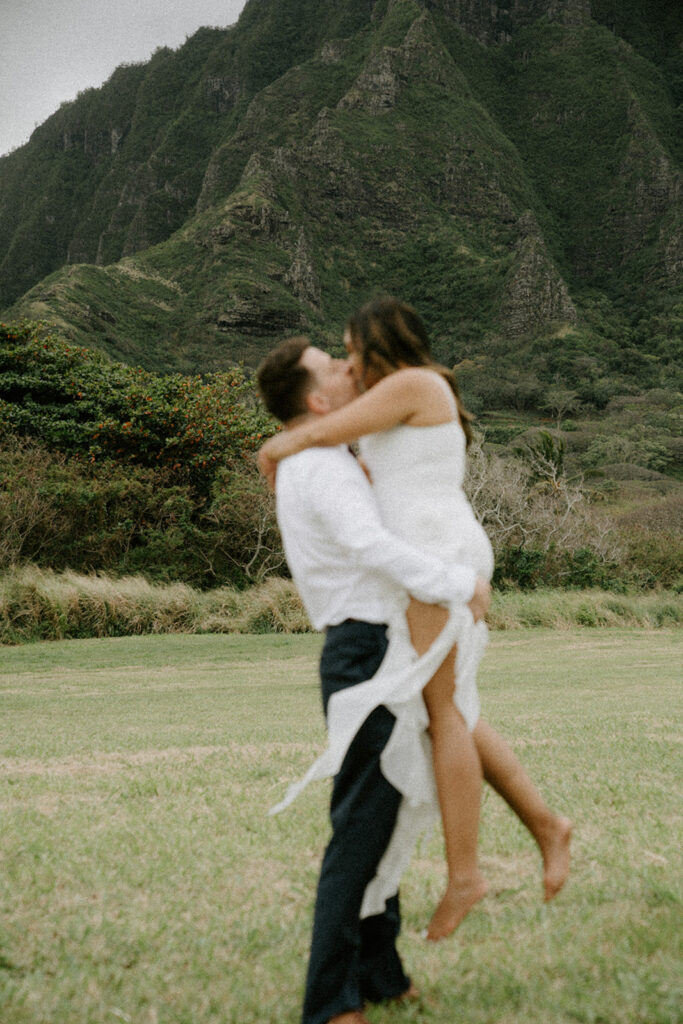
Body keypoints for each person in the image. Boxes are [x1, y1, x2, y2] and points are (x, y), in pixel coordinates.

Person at [258, 297, 572, 944]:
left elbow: (319, 431)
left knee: (442, 716)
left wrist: (278, 445)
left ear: (379, 347)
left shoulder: (411, 383)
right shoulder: (403, 396)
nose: (347, 366)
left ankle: (466, 875)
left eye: (350, 352)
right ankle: (544, 825)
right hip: (429, 553)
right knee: (452, 708)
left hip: (434, 553)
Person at [256, 335, 492, 1024]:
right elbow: (370, 548)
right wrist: (457, 582)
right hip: (360, 648)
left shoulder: (326, 453)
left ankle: (381, 973)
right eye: (331, 366)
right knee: (360, 823)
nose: (347, 366)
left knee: (382, 814)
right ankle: (329, 1001)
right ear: (317, 399)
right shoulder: (321, 466)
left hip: (373, 644)